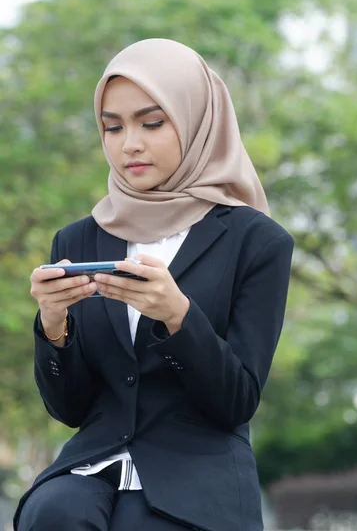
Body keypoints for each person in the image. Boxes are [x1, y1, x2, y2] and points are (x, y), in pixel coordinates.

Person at [14, 38, 294, 531]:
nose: (130, 144)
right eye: (112, 127)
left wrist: (177, 316)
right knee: (52, 512)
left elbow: (236, 401)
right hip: (90, 469)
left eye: (152, 122)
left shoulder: (256, 241)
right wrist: (54, 326)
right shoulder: (78, 237)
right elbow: (70, 408)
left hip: (197, 474)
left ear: (196, 121)